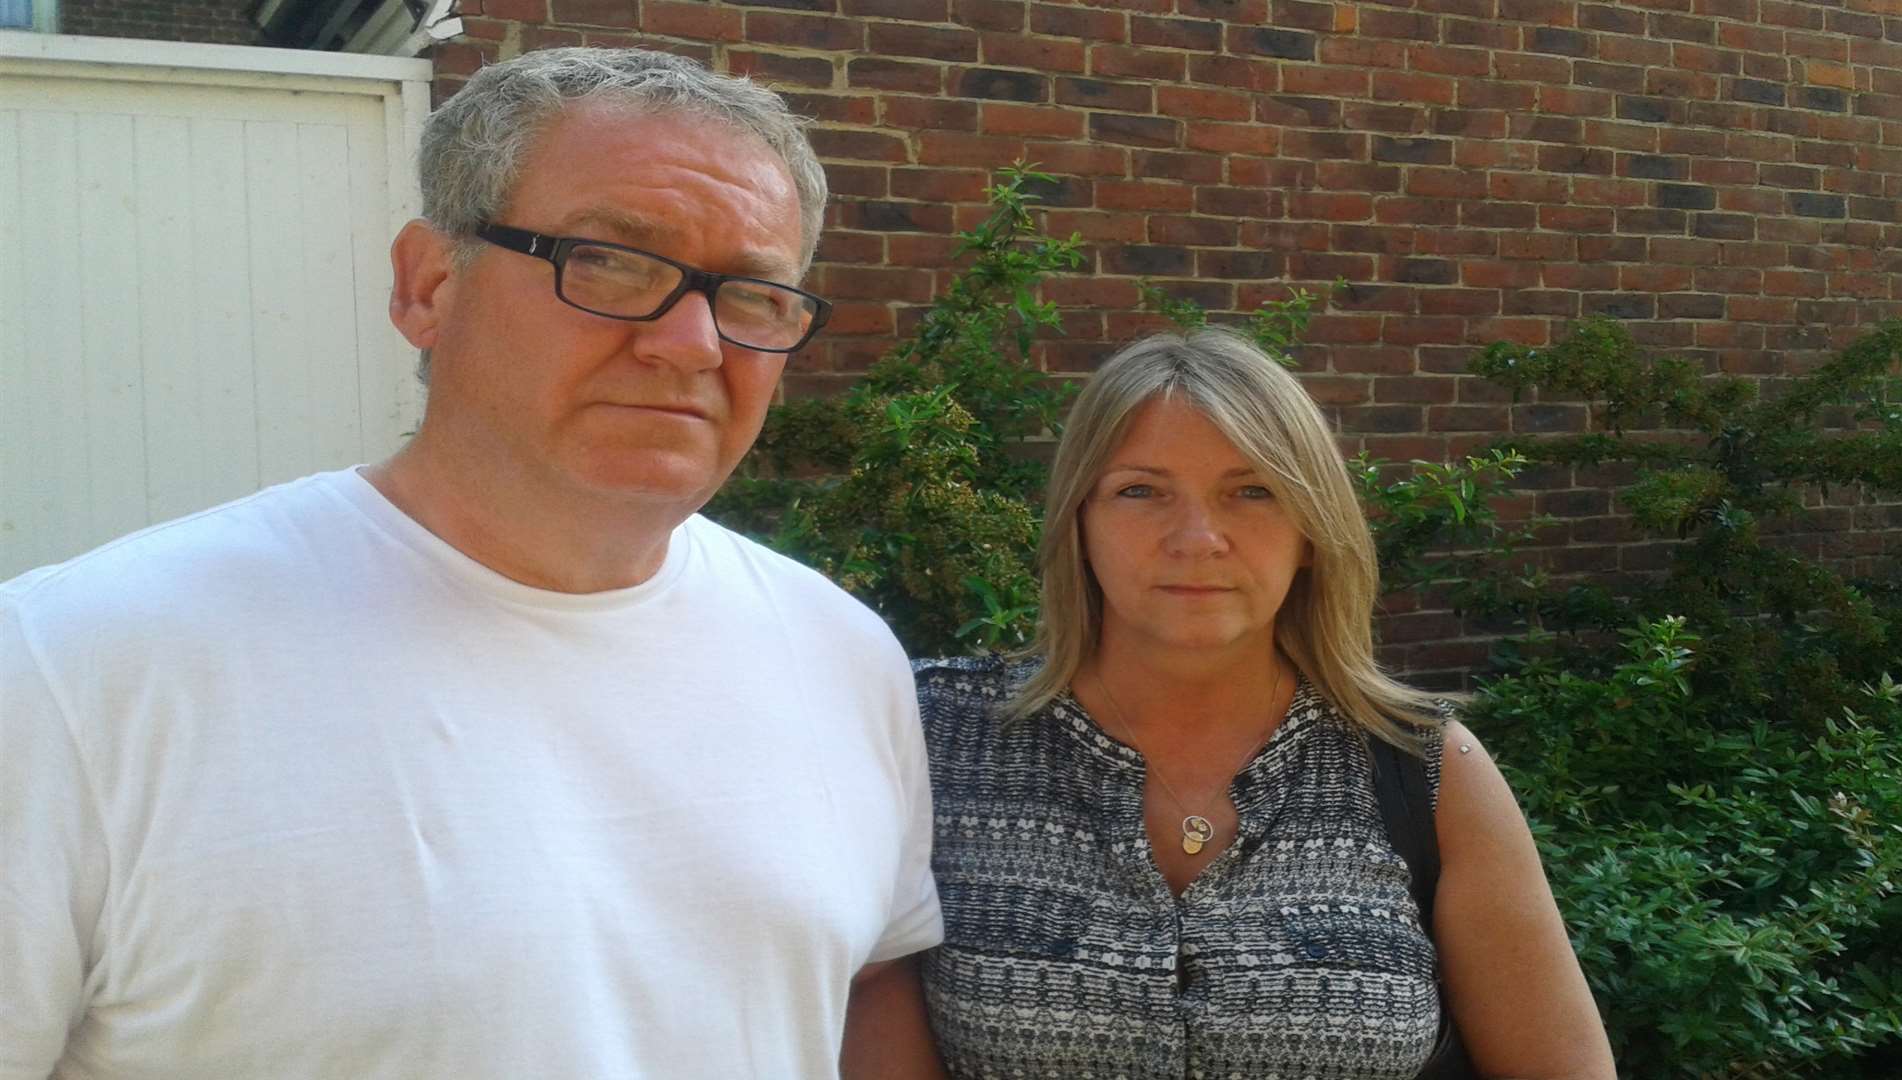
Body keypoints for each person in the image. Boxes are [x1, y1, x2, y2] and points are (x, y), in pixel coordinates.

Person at [0, 48, 941, 1080]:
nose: (692, 343)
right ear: (428, 286)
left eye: (755, 294)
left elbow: (865, 986)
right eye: (613, 261)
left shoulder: (841, 654)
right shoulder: (70, 672)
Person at [914, 330, 1615, 1079]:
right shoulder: (935, 734)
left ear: (1311, 531)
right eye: (1140, 490)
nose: (1198, 538)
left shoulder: (1425, 768)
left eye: (1253, 491)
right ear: (1079, 523)